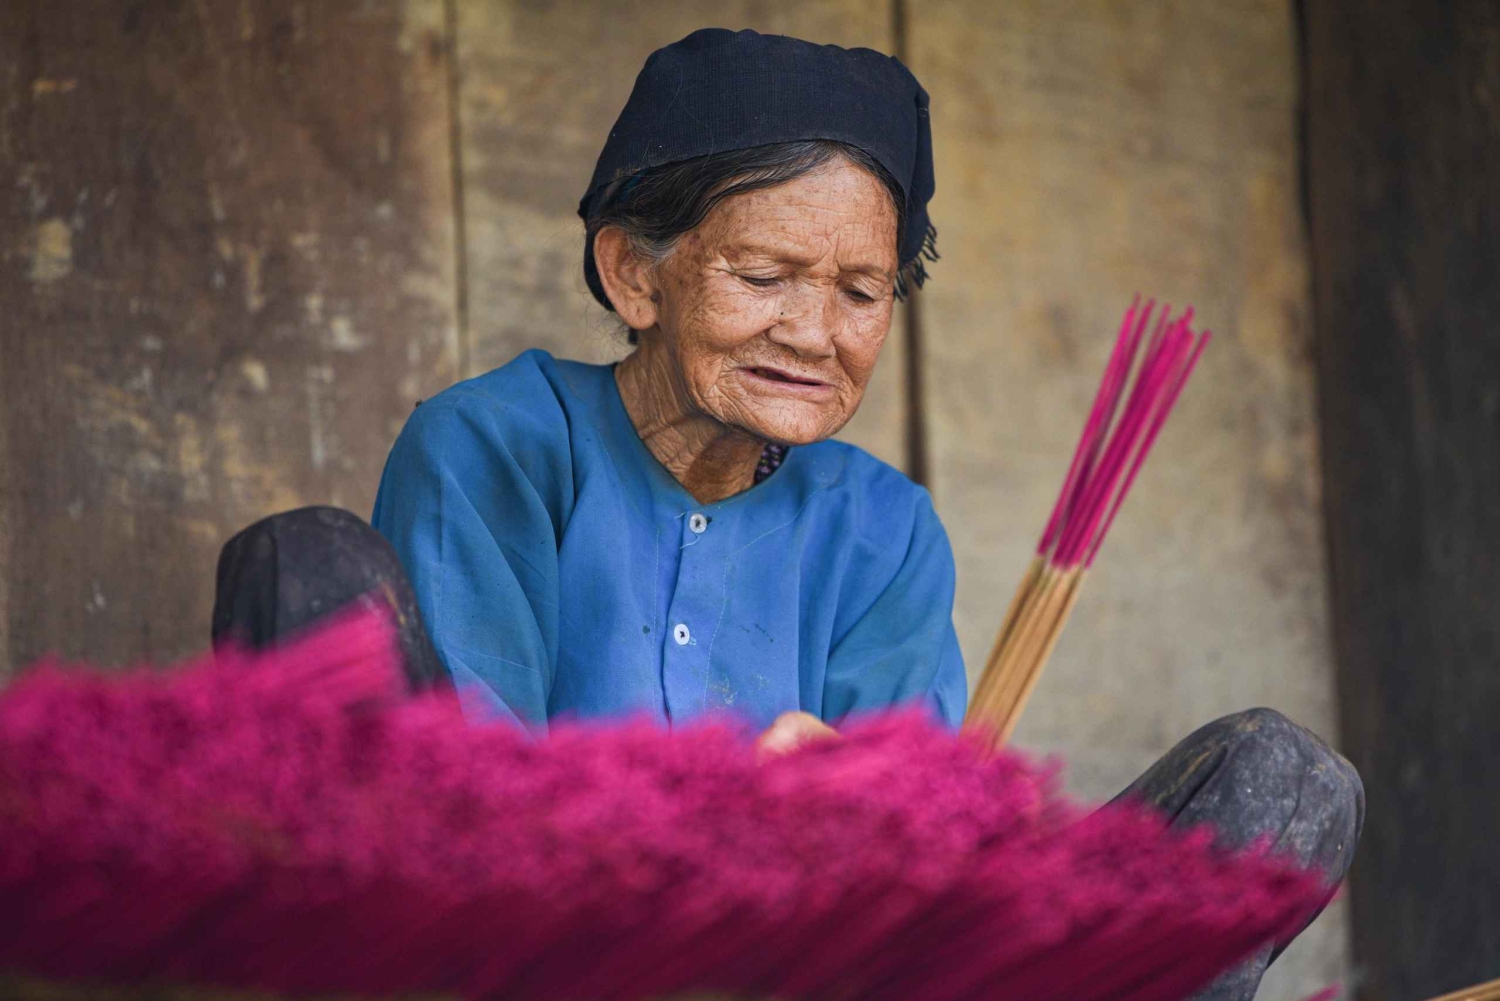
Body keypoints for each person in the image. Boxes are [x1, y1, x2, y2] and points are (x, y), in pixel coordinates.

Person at [211, 29, 1361, 1001]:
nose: (814, 333)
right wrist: (721, 823)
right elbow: (460, 806)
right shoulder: (491, 446)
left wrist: (875, 830)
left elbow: (919, 886)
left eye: (861, 292)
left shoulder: (883, 530)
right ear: (635, 274)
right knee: (307, 568)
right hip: (508, 961)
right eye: (763, 276)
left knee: (1284, 781)